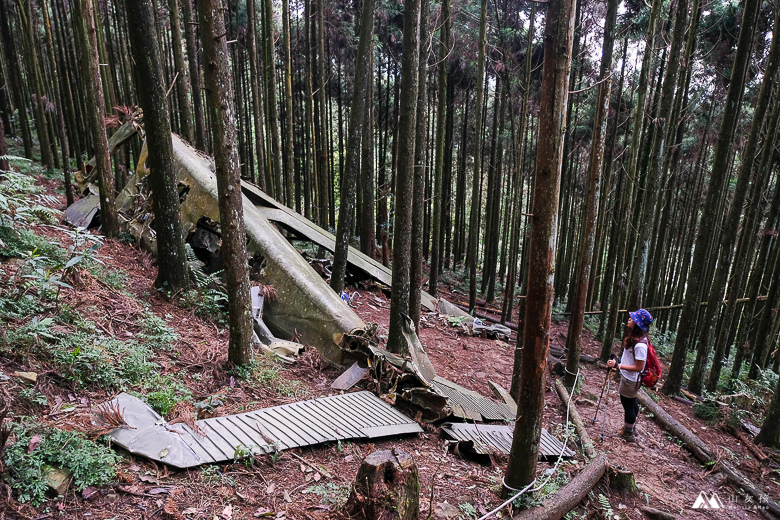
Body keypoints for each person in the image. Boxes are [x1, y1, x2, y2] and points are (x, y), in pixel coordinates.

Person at [607, 308, 653, 442]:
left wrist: (618, 366)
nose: (629, 319)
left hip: (630, 379)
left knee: (628, 405)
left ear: (638, 323)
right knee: (631, 403)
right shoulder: (636, 339)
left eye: (633, 318)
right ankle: (631, 428)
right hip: (629, 377)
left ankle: (628, 433)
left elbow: (639, 367)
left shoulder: (640, 345)